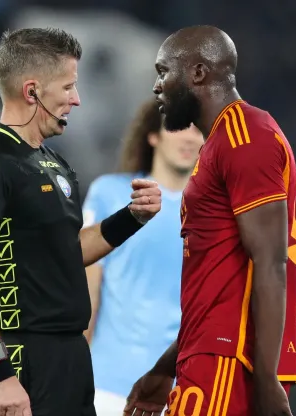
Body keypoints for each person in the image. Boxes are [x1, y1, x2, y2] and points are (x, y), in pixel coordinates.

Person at [0, 28, 162, 416]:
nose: (76, 100)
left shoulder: (54, 163)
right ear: (32, 92)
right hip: (23, 360)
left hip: (70, 357)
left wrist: (132, 218)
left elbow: (67, 253)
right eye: (67, 87)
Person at [124, 25, 296, 416]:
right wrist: (165, 367)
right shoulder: (222, 143)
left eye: (163, 71)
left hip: (228, 364)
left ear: (199, 73)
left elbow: (271, 263)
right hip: (208, 356)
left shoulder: (245, 136)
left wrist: (267, 380)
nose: (157, 86)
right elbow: (217, 284)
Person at [82, 98, 203, 416]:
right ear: (153, 135)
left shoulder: (218, 212)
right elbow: (85, 296)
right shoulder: (109, 194)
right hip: (104, 389)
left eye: (198, 128)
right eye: (178, 125)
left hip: (183, 395)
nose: (189, 137)